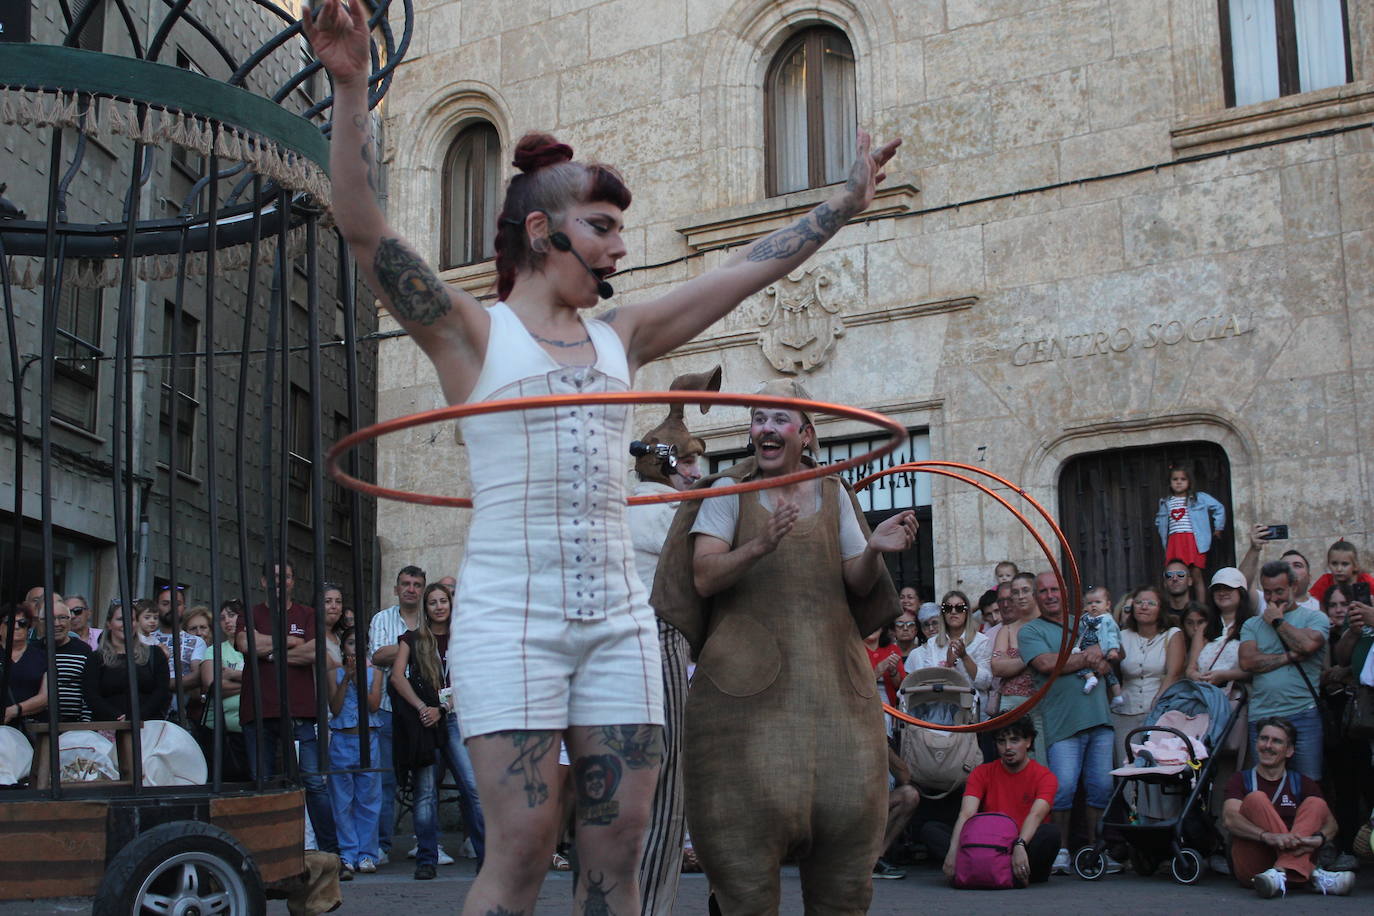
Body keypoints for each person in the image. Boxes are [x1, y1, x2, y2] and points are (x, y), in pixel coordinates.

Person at [306, 1, 900, 909]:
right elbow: (362, 230)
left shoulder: (623, 336)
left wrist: (843, 205)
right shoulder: (474, 335)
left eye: (621, 229)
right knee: (520, 844)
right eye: (602, 227)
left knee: (619, 847)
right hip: (513, 612)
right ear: (545, 234)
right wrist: (350, 86)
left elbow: (742, 273)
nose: (621, 246)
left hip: (618, 623)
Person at [652, 379, 913, 913]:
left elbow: (857, 582)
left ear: (806, 433)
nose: (765, 429)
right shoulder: (729, 490)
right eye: (758, 419)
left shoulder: (833, 491)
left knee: (844, 882)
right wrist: (760, 545)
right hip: (743, 711)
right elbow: (703, 575)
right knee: (743, 876)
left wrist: (876, 549)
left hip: (835, 704)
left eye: (779, 420)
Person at [627, 366, 717, 915]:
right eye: (686, 462)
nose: (693, 472)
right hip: (656, 646)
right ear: (662, 461)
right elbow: (701, 577)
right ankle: (651, 908)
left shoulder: (631, 503)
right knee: (666, 790)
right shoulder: (661, 511)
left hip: (626, 651)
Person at [1017, 571, 1119, 875]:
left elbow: (1108, 656)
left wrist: (1090, 658)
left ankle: (1096, 850)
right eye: (1043, 591)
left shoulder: (1088, 620)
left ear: (1064, 592)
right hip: (1062, 723)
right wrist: (1087, 657)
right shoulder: (1029, 631)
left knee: (1101, 787)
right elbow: (1046, 664)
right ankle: (1059, 849)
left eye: (1054, 590)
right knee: (1063, 789)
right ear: (1036, 597)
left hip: (1099, 718)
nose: (1049, 596)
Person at [234, 561, 337, 855]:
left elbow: (315, 652)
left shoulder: (308, 614)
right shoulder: (250, 614)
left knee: (313, 783)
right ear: (265, 581)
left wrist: (269, 654)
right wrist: (291, 641)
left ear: (294, 581)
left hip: (300, 710)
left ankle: (331, 854)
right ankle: (265, 854)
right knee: (262, 784)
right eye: (276, 577)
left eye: (288, 577)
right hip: (258, 709)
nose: (282, 582)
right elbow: (244, 644)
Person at [390, 582, 487, 880]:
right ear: (426, 607)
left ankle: (488, 860)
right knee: (426, 792)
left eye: (443, 601)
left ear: (450, 603)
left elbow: (474, 678)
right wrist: (422, 707)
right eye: (433, 602)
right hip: (425, 722)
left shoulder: (465, 638)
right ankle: (427, 858)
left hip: (454, 718)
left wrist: (443, 709)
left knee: (472, 787)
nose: (439, 606)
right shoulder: (413, 638)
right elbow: (396, 677)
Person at [1222, 717, 1353, 896]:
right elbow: (1230, 819)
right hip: (1254, 864)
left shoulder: (1303, 783)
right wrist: (1268, 836)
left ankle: (1282, 873)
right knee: (1256, 799)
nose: (1267, 745)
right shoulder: (1240, 780)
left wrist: (1320, 839)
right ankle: (1311, 876)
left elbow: (1332, 825)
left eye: (1276, 741)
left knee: (1316, 803)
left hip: (1286, 861)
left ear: (1289, 750)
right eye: (1263, 738)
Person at [929, 717, 1059, 886]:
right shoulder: (982, 772)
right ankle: (998, 873)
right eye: (1001, 741)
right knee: (931, 830)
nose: (1008, 748)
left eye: (1014, 740)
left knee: (1050, 834)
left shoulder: (1045, 776)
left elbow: (1036, 815)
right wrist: (953, 853)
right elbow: (967, 813)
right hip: (987, 845)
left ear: (1028, 741)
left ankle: (983, 872)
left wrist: (1020, 844)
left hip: (1022, 844)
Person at [1239, 561, 1329, 780]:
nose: (1273, 599)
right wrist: (1288, 656)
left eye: (1279, 591)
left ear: (1294, 586)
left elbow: (1307, 646)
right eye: (1267, 592)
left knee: (1309, 782)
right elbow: (1248, 662)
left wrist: (1278, 621)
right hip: (1262, 716)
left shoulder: (1315, 618)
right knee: (1266, 784)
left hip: (1303, 713)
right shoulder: (1252, 625)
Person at [367, 565, 430, 865]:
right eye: (406, 583)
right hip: (389, 711)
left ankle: (425, 842)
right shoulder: (382, 618)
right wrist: (416, 644)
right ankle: (382, 844)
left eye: (417, 584)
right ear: (396, 588)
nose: (411, 589)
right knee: (387, 780)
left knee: (425, 780)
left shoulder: (431, 618)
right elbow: (378, 655)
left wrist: (401, 648)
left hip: (423, 710)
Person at [329, 626, 384, 878]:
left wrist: (359, 678)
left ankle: (367, 854)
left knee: (369, 800)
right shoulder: (334, 673)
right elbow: (336, 708)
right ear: (343, 647)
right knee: (342, 801)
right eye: (351, 643)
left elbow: (373, 705)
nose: (355, 649)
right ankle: (347, 853)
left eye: (360, 644)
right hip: (342, 739)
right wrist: (346, 679)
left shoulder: (375, 673)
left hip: (368, 740)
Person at [1112, 585, 1185, 764]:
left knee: (1158, 764)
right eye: (1139, 602)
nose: (1144, 607)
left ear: (1161, 608)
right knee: (1127, 764)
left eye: (1150, 603)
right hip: (1125, 711)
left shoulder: (1172, 634)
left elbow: (1173, 673)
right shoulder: (1121, 636)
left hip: (1159, 711)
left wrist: (1158, 702)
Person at [82, 600, 170, 723]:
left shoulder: (155, 654)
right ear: (109, 623)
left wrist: (139, 716)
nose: (127, 624)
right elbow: (91, 695)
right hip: (107, 728)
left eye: (132, 619)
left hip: (148, 726)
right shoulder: (95, 658)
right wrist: (117, 717)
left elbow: (162, 690)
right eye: (120, 619)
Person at [904, 591, 991, 708]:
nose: (953, 612)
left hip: (972, 712)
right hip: (940, 710)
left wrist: (964, 657)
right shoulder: (932, 643)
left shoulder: (981, 641)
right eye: (948, 608)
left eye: (959, 607)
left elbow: (985, 683)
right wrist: (949, 664)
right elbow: (929, 683)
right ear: (943, 613)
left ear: (967, 612)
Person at [1155, 465, 1225, 604]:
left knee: (1196, 574)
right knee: (1173, 575)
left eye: (1183, 479)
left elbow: (1219, 508)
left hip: (1193, 540)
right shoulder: (1166, 502)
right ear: (1170, 482)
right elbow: (1160, 520)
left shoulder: (1199, 498)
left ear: (1189, 482)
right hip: (1174, 541)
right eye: (1175, 479)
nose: (1179, 482)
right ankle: (1174, 607)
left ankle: (1201, 607)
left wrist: (1218, 527)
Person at [200, 599, 249, 782]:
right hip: (220, 732)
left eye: (232, 615)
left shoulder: (254, 649)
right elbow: (212, 686)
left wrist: (234, 675)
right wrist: (250, 683)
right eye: (222, 618)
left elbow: (268, 684)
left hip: (251, 732)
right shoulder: (215, 651)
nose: (227, 621)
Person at [1240, 528, 1319, 612]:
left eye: (1297, 565)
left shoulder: (1319, 607)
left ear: (1309, 577)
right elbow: (1241, 585)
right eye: (1285, 566)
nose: (1290, 569)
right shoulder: (1263, 600)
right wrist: (1254, 549)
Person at [1075, 586, 1123, 707]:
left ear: (1107, 605)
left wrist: (1113, 649)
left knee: (1109, 673)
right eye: (1089, 603)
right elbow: (1080, 632)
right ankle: (1090, 678)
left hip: (1103, 647)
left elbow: (1113, 635)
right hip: (1086, 646)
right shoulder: (1085, 619)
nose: (1093, 605)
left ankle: (1117, 696)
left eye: (1098, 602)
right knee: (1081, 661)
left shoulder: (1107, 620)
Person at [1, 607, 44, 725]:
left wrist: (14, 710)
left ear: (29, 627)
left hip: (33, 727)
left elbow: (46, 696)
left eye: (22, 623)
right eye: (9, 622)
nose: (16, 627)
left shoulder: (42, 656)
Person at [1308, 539, 1374, 606]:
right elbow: (1311, 603)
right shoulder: (1325, 581)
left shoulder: (1365, 580)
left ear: (1355, 566)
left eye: (1345, 564)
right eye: (1334, 564)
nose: (1339, 569)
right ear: (1328, 564)